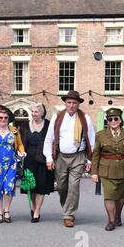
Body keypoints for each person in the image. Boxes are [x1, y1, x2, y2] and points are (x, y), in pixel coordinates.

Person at [43, 90, 95, 227]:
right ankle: (67, 207)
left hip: (78, 156)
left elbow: (91, 140)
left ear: (78, 104)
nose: (71, 105)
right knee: (62, 187)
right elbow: (49, 139)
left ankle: (69, 215)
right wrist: (49, 157)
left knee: (74, 186)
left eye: (74, 103)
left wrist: (89, 160)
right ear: (65, 103)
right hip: (60, 156)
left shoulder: (85, 118)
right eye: (69, 102)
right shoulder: (57, 117)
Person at [91, 108, 124, 231]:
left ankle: (118, 216)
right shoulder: (100, 135)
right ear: (107, 121)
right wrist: (94, 172)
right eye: (110, 119)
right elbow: (96, 155)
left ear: (120, 120)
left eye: (115, 119)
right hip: (106, 170)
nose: (113, 121)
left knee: (120, 197)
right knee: (109, 196)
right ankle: (111, 221)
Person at [0, 105, 25, 223]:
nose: (3, 120)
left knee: (9, 186)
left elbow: (20, 144)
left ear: (8, 119)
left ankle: (7, 210)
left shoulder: (14, 130)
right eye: (1, 117)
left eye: (5, 118)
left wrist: (22, 152)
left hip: (11, 163)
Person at [20, 103, 54, 223]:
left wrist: (52, 158)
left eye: (36, 112)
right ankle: (33, 206)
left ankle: (37, 211)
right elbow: (20, 142)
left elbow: (53, 142)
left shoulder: (49, 125)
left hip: (43, 160)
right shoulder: (24, 125)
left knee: (41, 186)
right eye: (32, 112)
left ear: (42, 113)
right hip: (28, 160)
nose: (34, 114)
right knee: (31, 186)